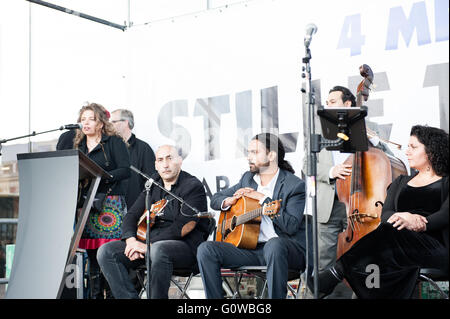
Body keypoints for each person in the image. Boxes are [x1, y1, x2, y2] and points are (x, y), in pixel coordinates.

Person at [314, 125, 449, 299]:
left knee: (385, 239)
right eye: (407, 146)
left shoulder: (446, 182)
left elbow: (445, 215)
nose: (407, 151)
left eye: (413, 147)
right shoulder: (401, 181)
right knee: (381, 244)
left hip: (432, 247)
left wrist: (421, 223)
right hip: (395, 243)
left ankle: (337, 271)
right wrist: (403, 218)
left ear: (431, 151)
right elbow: (385, 214)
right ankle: (340, 274)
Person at [197, 133, 311, 299]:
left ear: (271, 155)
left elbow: (291, 226)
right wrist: (230, 199)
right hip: (252, 250)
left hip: (285, 251)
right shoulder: (248, 179)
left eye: (255, 152)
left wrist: (264, 199)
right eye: (249, 152)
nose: (249, 157)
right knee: (206, 249)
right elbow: (215, 199)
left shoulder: (294, 185)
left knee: (274, 245)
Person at [97, 145, 209, 299]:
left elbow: (183, 227)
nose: (165, 164)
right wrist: (131, 241)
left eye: (170, 158)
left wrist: (147, 245)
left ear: (180, 161)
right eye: (160, 160)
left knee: (158, 250)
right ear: (156, 165)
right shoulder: (153, 184)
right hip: (148, 246)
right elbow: (131, 215)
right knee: (106, 252)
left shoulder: (192, 186)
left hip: (184, 247)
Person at [307, 86, 393, 273]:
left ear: (347, 104)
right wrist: (331, 171)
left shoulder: (370, 129)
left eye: (332, 102)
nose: (327, 106)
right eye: (327, 102)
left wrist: (375, 140)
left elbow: (390, 158)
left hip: (362, 204)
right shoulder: (320, 132)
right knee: (323, 261)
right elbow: (307, 164)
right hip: (329, 204)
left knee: (363, 258)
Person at [75, 102, 131, 299]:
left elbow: (125, 170)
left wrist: (101, 175)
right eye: (83, 120)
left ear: (100, 123)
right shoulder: (79, 146)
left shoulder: (113, 142)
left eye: (91, 119)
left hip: (110, 205)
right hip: (88, 204)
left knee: (109, 255)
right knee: (92, 260)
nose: (86, 123)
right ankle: (95, 296)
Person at [110, 109, 156, 209]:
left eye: (113, 122)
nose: (109, 125)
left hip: (135, 209)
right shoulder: (108, 147)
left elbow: (151, 181)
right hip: (110, 208)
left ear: (126, 122)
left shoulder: (144, 148)